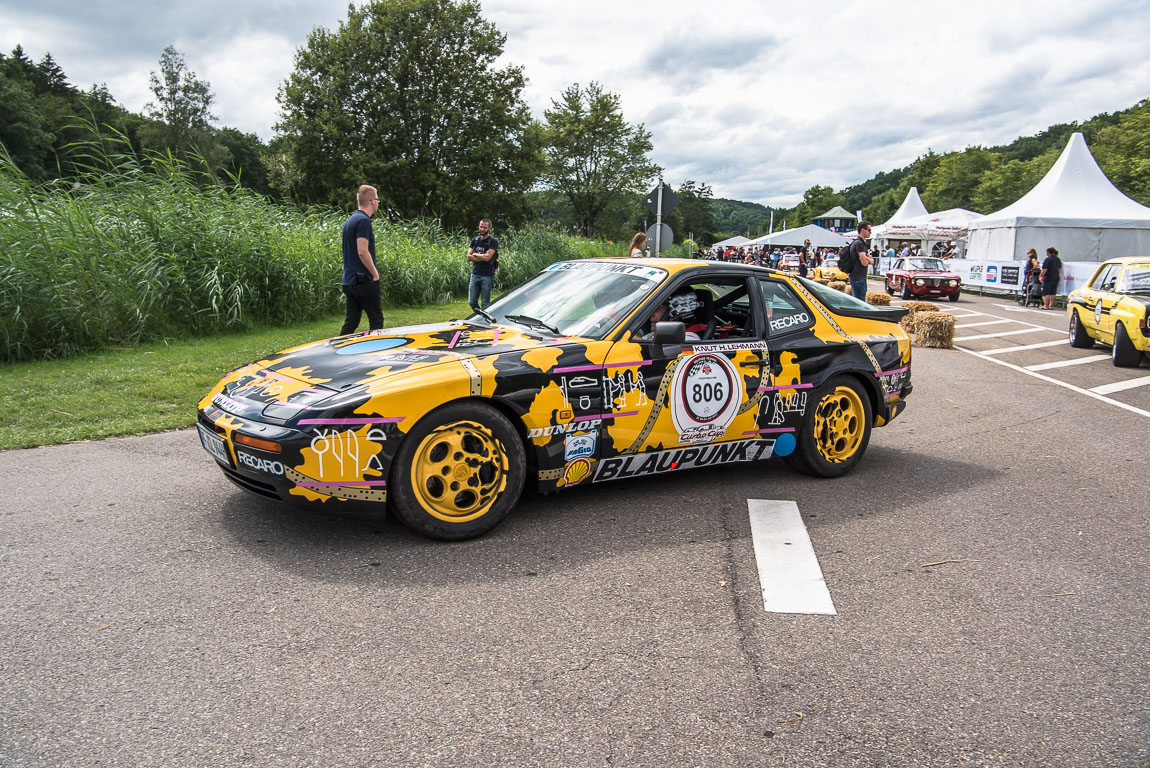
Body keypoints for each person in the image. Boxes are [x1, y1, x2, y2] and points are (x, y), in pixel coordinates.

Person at [339, 184, 383, 336]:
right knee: (376, 320)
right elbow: (362, 251)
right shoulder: (363, 221)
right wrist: (375, 274)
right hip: (363, 280)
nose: (378, 202)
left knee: (351, 322)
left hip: (349, 281)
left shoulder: (351, 220)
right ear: (372, 201)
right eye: (377, 199)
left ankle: (339, 348)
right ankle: (377, 354)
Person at [466, 218, 499, 313]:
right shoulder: (475, 240)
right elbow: (468, 257)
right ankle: (481, 316)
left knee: (485, 303)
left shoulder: (493, 241)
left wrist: (475, 254)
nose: (482, 229)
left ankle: (486, 320)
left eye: (485, 227)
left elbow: (488, 258)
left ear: (490, 228)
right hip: (475, 274)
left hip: (487, 275)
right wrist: (482, 256)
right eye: (481, 227)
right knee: (472, 302)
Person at [846, 221, 873, 301]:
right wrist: (868, 259)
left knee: (858, 302)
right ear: (863, 230)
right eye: (869, 230)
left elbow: (869, 260)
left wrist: (867, 258)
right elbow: (864, 263)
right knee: (860, 303)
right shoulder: (859, 243)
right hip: (858, 278)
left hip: (857, 277)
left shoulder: (858, 242)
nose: (870, 233)